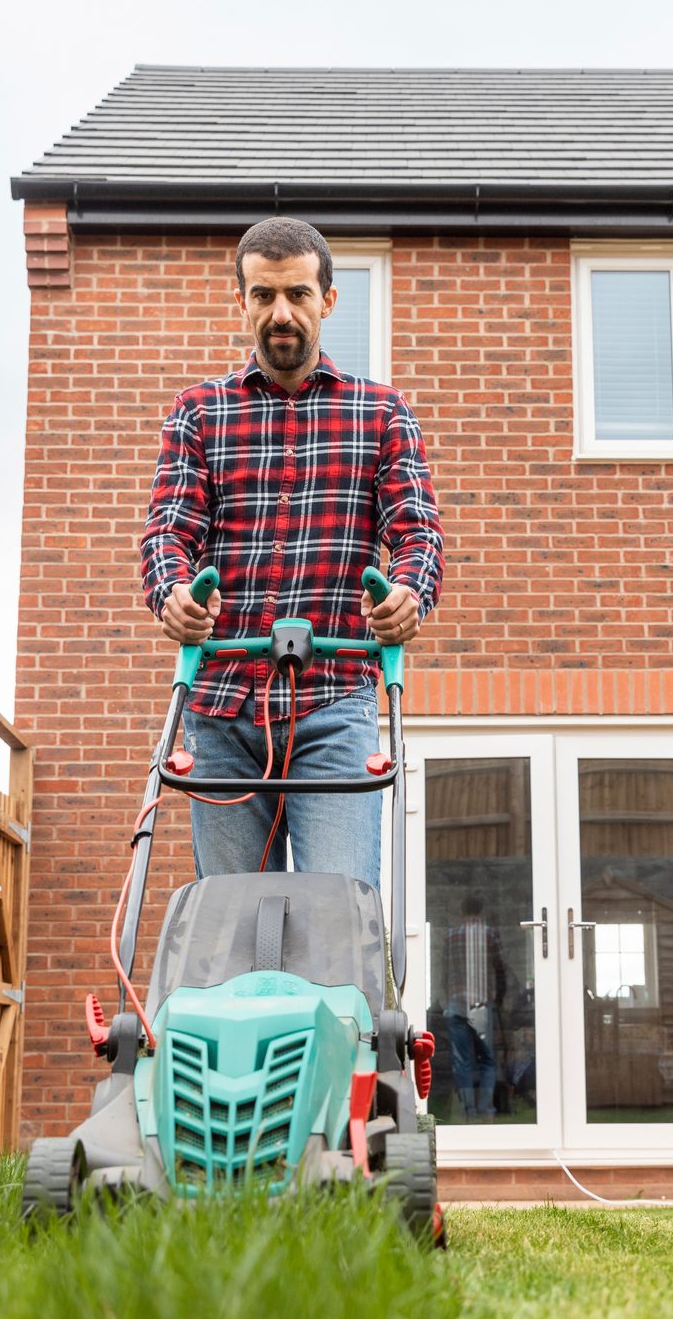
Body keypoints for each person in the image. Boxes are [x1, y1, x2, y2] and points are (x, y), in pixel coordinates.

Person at [140, 217, 444, 887]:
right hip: (222, 707)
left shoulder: (380, 413)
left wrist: (408, 595)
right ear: (241, 301)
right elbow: (169, 531)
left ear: (327, 300)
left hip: (334, 704)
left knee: (339, 911)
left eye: (298, 295)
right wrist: (173, 594)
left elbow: (417, 533)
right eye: (263, 295)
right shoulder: (199, 412)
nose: (281, 313)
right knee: (230, 918)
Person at [439, 895, 507, 1121]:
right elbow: (500, 969)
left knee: (462, 1061)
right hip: (481, 1004)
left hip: (456, 1004)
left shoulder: (450, 936)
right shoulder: (490, 934)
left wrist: (445, 998)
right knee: (487, 1059)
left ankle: (467, 1111)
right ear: (481, 911)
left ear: (462, 911)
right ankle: (486, 1110)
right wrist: (500, 999)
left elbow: (444, 972)